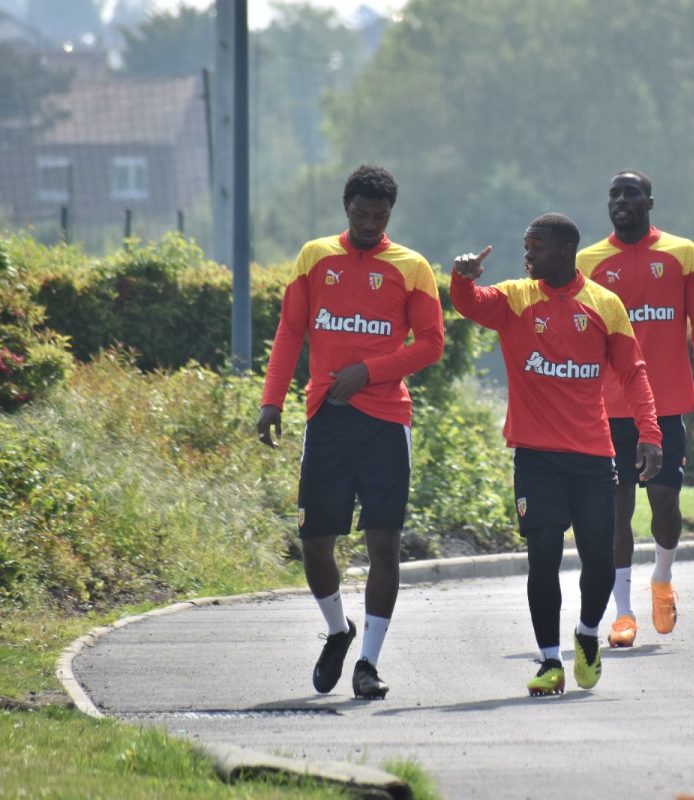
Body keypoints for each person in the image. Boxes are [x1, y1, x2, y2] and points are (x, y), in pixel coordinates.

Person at [450, 213, 663, 696]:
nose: (528, 255)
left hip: (591, 456)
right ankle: (549, 661)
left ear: (567, 249)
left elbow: (634, 373)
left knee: (599, 561)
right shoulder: (516, 298)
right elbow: (471, 305)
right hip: (535, 458)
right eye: (527, 246)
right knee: (542, 556)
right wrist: (462, 279)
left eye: (538, 247)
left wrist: (650, 434)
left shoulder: (604, 305)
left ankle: (587, 635)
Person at [256, 164, 445, 700]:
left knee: (383, 543)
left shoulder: (411, 267)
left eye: (379, 216)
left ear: (390, 215)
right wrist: (272, 402)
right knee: (316, 543)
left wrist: (371, 370)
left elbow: (432, 343)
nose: (369, 224)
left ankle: (368, 663)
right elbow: (292, 330)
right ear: (346, 208)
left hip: (387, 422)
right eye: (361, 214)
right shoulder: (316, 256)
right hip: (327, 420)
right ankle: (339, 631)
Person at [576, 170, 694, 648]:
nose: (621, 200)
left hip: (667, 404)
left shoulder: (683, 254)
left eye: (630, 193)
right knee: (617, 510)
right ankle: (623, 612)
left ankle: (662, 578)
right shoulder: (589, 261)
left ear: (649, 202)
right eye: (613, 193)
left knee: (664, 502)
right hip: (610, 408)